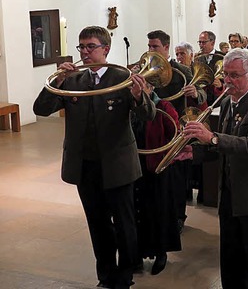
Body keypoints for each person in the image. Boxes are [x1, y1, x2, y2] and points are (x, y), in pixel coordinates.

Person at [33, 26, 155, 289]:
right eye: (81, 47)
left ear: (106, 49)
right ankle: (106, 275)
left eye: (90, 46)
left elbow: (148, 115)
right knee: (97, 224)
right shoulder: (74, 80)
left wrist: (139, 96)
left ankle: (125, 275)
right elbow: (41, 109)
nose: (85, 52)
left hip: (118, 165)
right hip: (85, 166)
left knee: (124, 224)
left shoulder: (122, 77)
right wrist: (56, 82)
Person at [182, 48, 248, 288]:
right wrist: (192, 151)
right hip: (230, 193)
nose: (228, 81)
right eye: (225, 74)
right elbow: (223, 146)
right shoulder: (228, 102)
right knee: (231, 259)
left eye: (235, 75)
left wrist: (212, 138)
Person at [147, 30, 207, 232]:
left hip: (176, 128)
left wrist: (195, 92)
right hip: (152, 128)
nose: (151, 50)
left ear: (165, 48)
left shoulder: (181, 70)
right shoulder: (145, 68)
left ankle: (179, 216)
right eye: (149, 46)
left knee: (177, 176)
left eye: (155, 46)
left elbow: (202, 92)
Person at [131, 83, 181, 276]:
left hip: (156, 166)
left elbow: (174, 132)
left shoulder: (164, 106)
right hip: (133, 164)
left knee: (159, 210)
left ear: (151, 88)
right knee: (136, 210)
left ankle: (161, 253)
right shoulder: (129, 105)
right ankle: (136, 254)